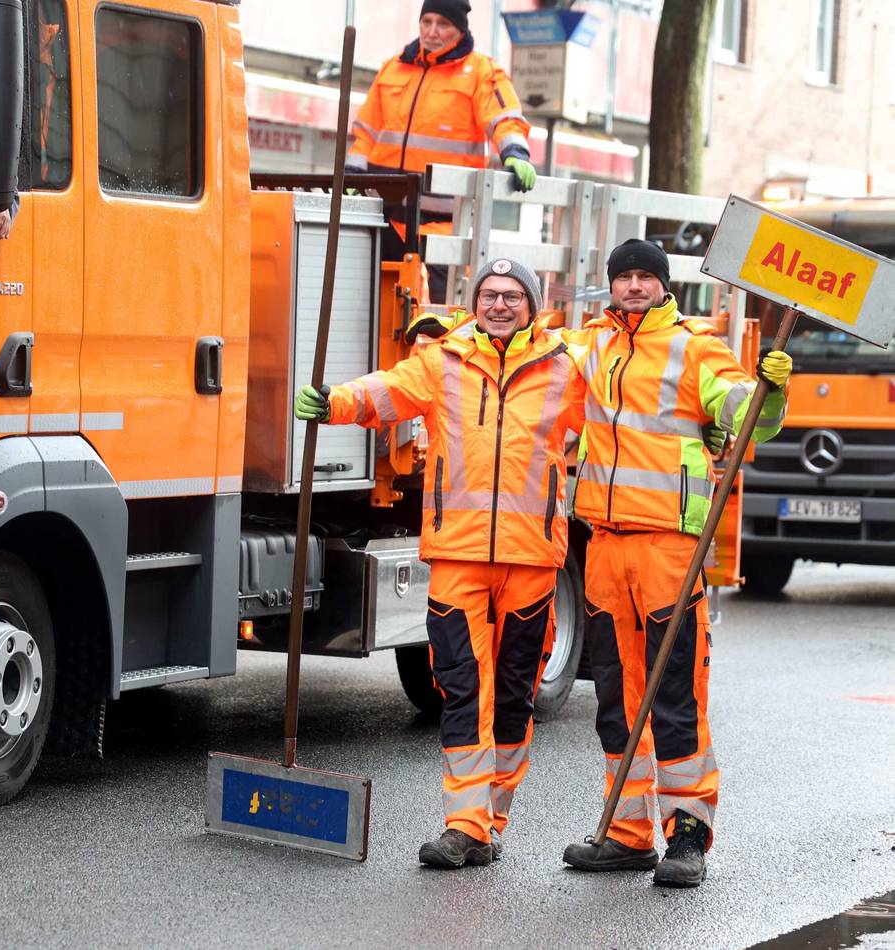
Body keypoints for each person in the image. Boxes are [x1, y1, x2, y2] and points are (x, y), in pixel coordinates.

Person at [295, 258, 585, 868]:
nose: (499, 305)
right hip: (457, 552)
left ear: (532, 305)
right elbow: (386, 391)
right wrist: (335, 402)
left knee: (512, 692)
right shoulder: (443, 361)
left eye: (511, 295)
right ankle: (464, 821)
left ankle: (491, 818)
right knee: (460, 686)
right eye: (488, 294)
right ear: (473, 302)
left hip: (532, 559)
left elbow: (620, 420)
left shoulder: (567, 367)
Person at [561, 239, 792, 887]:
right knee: (616, 698)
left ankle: (687, 834)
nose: (634, 286)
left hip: (669, 549)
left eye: (645, 276)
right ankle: (627, 833)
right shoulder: (590, 345)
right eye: (624, 276)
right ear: (610, 285)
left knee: (675, 697)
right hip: (604, 546)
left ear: (663, 285)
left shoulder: (696, 346)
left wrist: (768, 394)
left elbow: (743, 413)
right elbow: (520, 353)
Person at [345, 0, 536, 302]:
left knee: (434, 318)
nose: (432, 32)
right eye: (427, 21)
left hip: (443, 225)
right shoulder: (393, 68)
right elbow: (366, 130)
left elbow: (504, 117)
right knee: (373, 311)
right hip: (385, 216)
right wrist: (352, 175)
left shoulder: (481, 71)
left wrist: (515, 152)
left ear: (460, 29)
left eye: (443, 24)